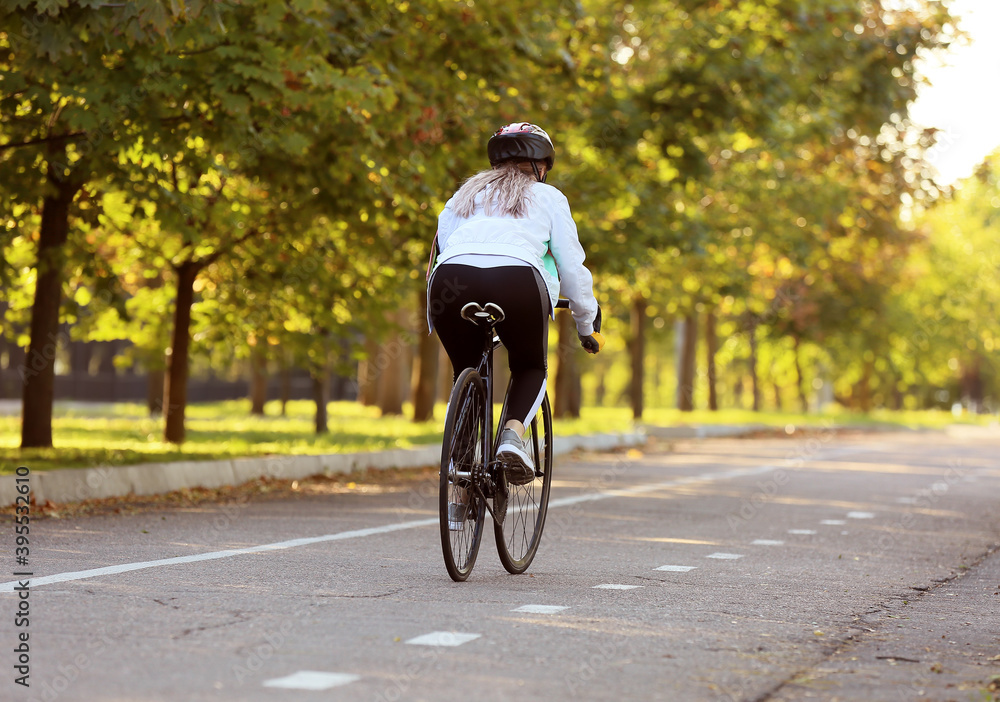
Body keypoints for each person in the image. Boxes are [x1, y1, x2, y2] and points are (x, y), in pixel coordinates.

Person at [426, 121, 603, 488]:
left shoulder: (462, 196)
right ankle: (512, 437)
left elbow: (441, 248)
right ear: (541, 165)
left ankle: (458, 473)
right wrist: (586, 324)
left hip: (450, 282)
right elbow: (571, 266)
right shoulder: (549, 198)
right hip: (517, 280)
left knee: (466, 368)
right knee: (528, 366)